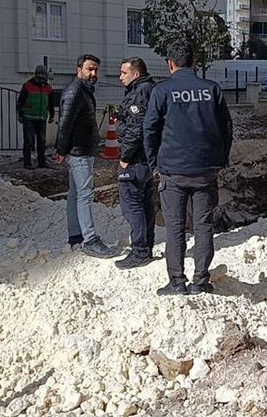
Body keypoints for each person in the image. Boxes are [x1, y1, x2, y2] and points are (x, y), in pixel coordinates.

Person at [144, 42, 233, 296]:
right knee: (204, 225)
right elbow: (227, 129)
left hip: (172, 171)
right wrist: (221, 159)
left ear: (170, 64)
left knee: (175, 226)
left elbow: (149, 130)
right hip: (206, 170)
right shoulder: (212, 89)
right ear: (195, 63)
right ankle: (201, 282)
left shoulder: (162, 91)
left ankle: (177, 283)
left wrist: (154, 165)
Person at [56, 54, 119, 258]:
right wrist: (60, 149)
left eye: (96, 70)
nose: (93, 73)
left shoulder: (82, 90)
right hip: (79, 152)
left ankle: (75, 236)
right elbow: (65, 123)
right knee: (84, 195)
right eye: (89, 69)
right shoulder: (75, 91)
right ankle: (90, 240)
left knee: (75, 193)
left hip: (81, 150)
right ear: (79, 69)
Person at [114, 57, 156, 270]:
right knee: (145, 202)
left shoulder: (140, 93)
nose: (120, 76)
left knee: (132, 205)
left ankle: (139, 251)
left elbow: (136, 129)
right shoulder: (148, 89)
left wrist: (125, 158)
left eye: (124, 72)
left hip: (136, 159)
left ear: (136, 74)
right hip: (147, 159)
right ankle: (146, 247)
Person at [17, 65, 55, 169]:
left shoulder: (48, 88)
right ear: (35, 75)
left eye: (43, 76)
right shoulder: (27, 86)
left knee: (42, 141)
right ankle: (27, 163)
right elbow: (20, 101)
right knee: (28, 141)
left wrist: (52, 115)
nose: (41, 78)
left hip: (41, 118)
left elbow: (51, 103)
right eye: (39, 76)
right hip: (28, 117)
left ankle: (41, 162)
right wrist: (20, 114)